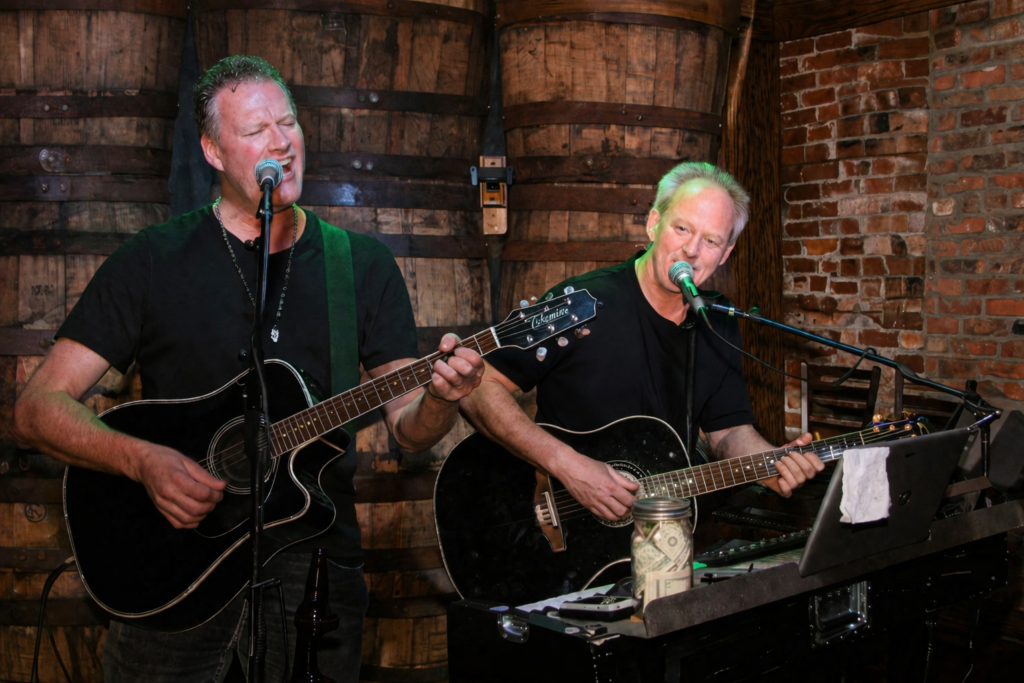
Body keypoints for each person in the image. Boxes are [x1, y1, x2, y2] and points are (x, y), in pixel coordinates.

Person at [13, 55, 483, 682]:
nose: (281, 143)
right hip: (169, 566)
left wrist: (442, 399)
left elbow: (409, 429)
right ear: (212, 151)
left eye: (288, 123)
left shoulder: (360, 265)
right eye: (256, 130)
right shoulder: (151, 259)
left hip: (312, 562)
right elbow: (37, 408)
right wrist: (142, 461)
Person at [459, 162, 823, 524]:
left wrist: (771, 464)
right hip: (556, 526)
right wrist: (568, 465)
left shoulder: (718, 321)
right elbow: (478, 387)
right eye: (682, 228)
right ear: (653, 224)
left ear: (725, 254)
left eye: (711, 240)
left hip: (662, 530)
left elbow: (727, 433)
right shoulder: (581, 304)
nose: (691, 250)